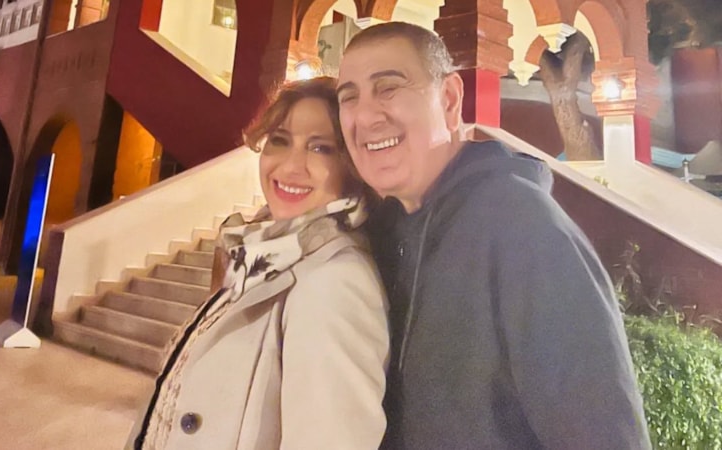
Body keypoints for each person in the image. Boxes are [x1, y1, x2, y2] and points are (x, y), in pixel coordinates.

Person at [336, 22, 651, 449]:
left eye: (388, 88)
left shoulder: (523, 227)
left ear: (449, 99)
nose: (365, 116)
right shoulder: (382, 236)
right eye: (349, 97)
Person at [129, 77, 389, 450]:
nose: (291, 165)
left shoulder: (335, 282)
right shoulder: (258, 254)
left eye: (320, 148)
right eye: (280, 140)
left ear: (352, 166)